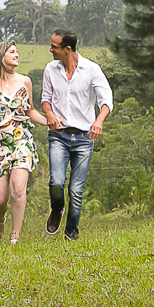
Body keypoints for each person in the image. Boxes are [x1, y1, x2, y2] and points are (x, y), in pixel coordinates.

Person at [0, 40, 49, 244]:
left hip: (21, 141)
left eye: (17, 52)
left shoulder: (25, 82)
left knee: (18, 188)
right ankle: (1, 220)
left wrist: (50, 122)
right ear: (0, 56)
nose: (17, 55)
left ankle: (15, 237)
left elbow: (30, 111)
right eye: (12, 52)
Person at [41, 29, 113, 240]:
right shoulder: (50, 69)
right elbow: (45, 98)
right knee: (56, 182)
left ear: (67, 49)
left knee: (76, 190)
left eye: (54, 46)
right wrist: (49, 114)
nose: (50, 49)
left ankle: (71, 234)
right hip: (58, 135)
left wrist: (99, 121)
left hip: (83, 139)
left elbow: (106, 100)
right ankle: (57, 209)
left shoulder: (92, 70)